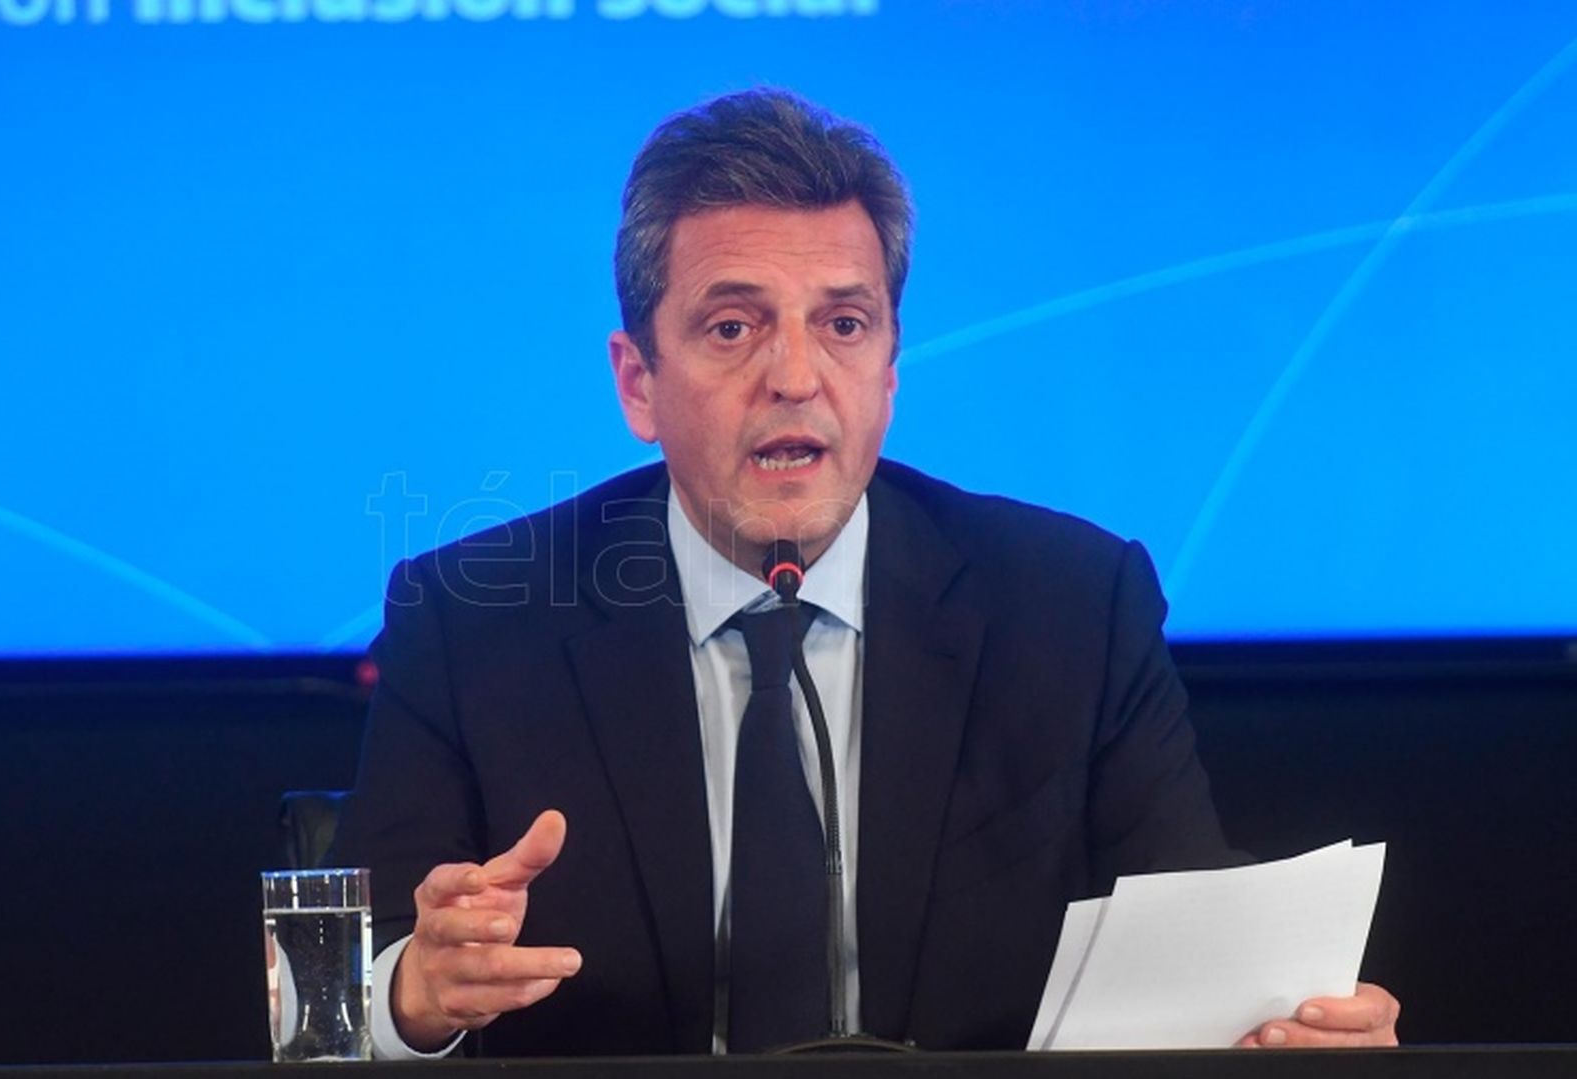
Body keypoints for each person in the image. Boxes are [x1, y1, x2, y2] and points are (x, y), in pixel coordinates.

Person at [329, 87, 1400, 1057]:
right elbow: (350, 985)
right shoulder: (473, 619)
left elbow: (1194, 951)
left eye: (843, 324)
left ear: (889, 369)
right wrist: (416, 992)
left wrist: (1286, 1029)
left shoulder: (1071, 605)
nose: (795, 377)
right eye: (733, 326)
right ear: (638, 382)